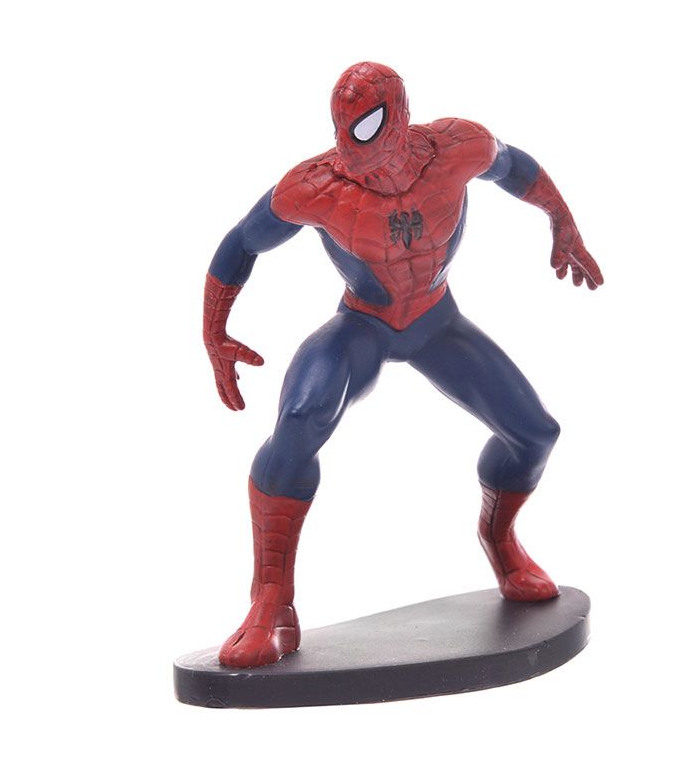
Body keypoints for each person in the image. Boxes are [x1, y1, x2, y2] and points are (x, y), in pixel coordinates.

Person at [203, 62, 603, 668]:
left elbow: (516, 167)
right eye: (343, 130)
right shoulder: (316, 187)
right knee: (300, 420)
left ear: (400, 113)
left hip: (437, 323)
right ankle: (270, 601)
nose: (352, 147)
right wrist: (214, 332)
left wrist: (562, 221)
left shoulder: (457, 147)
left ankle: (499, 538)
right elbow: (242, 242)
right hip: (361, 325)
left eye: (366, 126)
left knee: (535, 433)